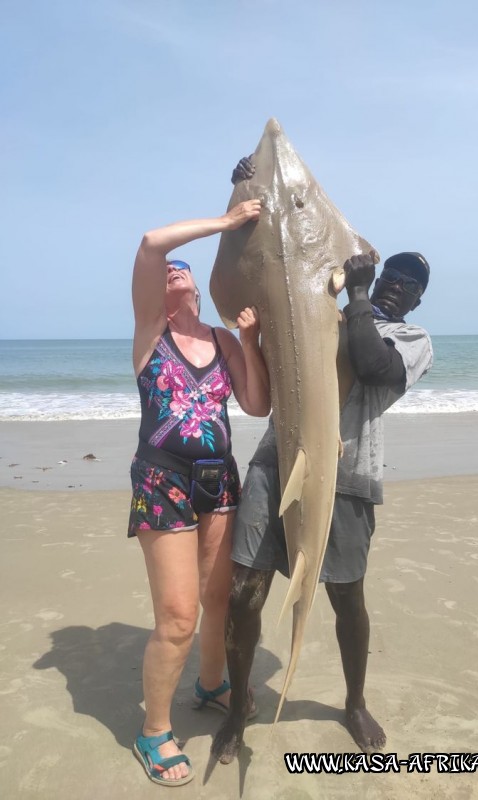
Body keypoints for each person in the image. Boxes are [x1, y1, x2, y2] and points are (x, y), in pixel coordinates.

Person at [211, 158, 433, 764]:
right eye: (391, 275)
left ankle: (354, 699)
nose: (396, 284)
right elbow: (274, 277)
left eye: (408, 283)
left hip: (350, 478)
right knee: (243, 594)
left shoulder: (411, 341)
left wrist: (360, 293)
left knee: (346, 598)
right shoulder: (326, 307)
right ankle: (237, 712)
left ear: (417, 299)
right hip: (273, 462)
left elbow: (370, 364)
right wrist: (244, 197)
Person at [128, 201, 271, 786]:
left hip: (219, 480)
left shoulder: (220, 337)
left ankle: (211, 684)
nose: (174, 269)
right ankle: (153, 732)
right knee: (178, 616)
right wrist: (227, 222)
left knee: (220, 602)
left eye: (182, 268)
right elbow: (151, 242)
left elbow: (257, 405)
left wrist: (251, 339)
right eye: (168, 272)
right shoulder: (149, 333)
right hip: (162, 479)